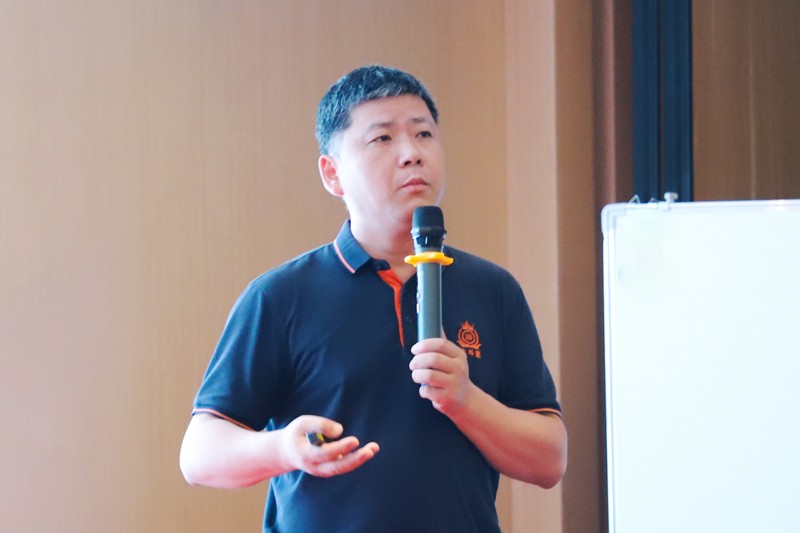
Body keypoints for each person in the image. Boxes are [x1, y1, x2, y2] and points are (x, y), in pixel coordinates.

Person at [180, 65, 567, 532]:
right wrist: (282, 448)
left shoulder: (493, 289)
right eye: (382, 138)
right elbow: (199, 455)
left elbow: (549, 461)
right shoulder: (281, 296)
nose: (412, 154)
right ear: (332, 174)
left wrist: (465, 399)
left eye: (423, 134)